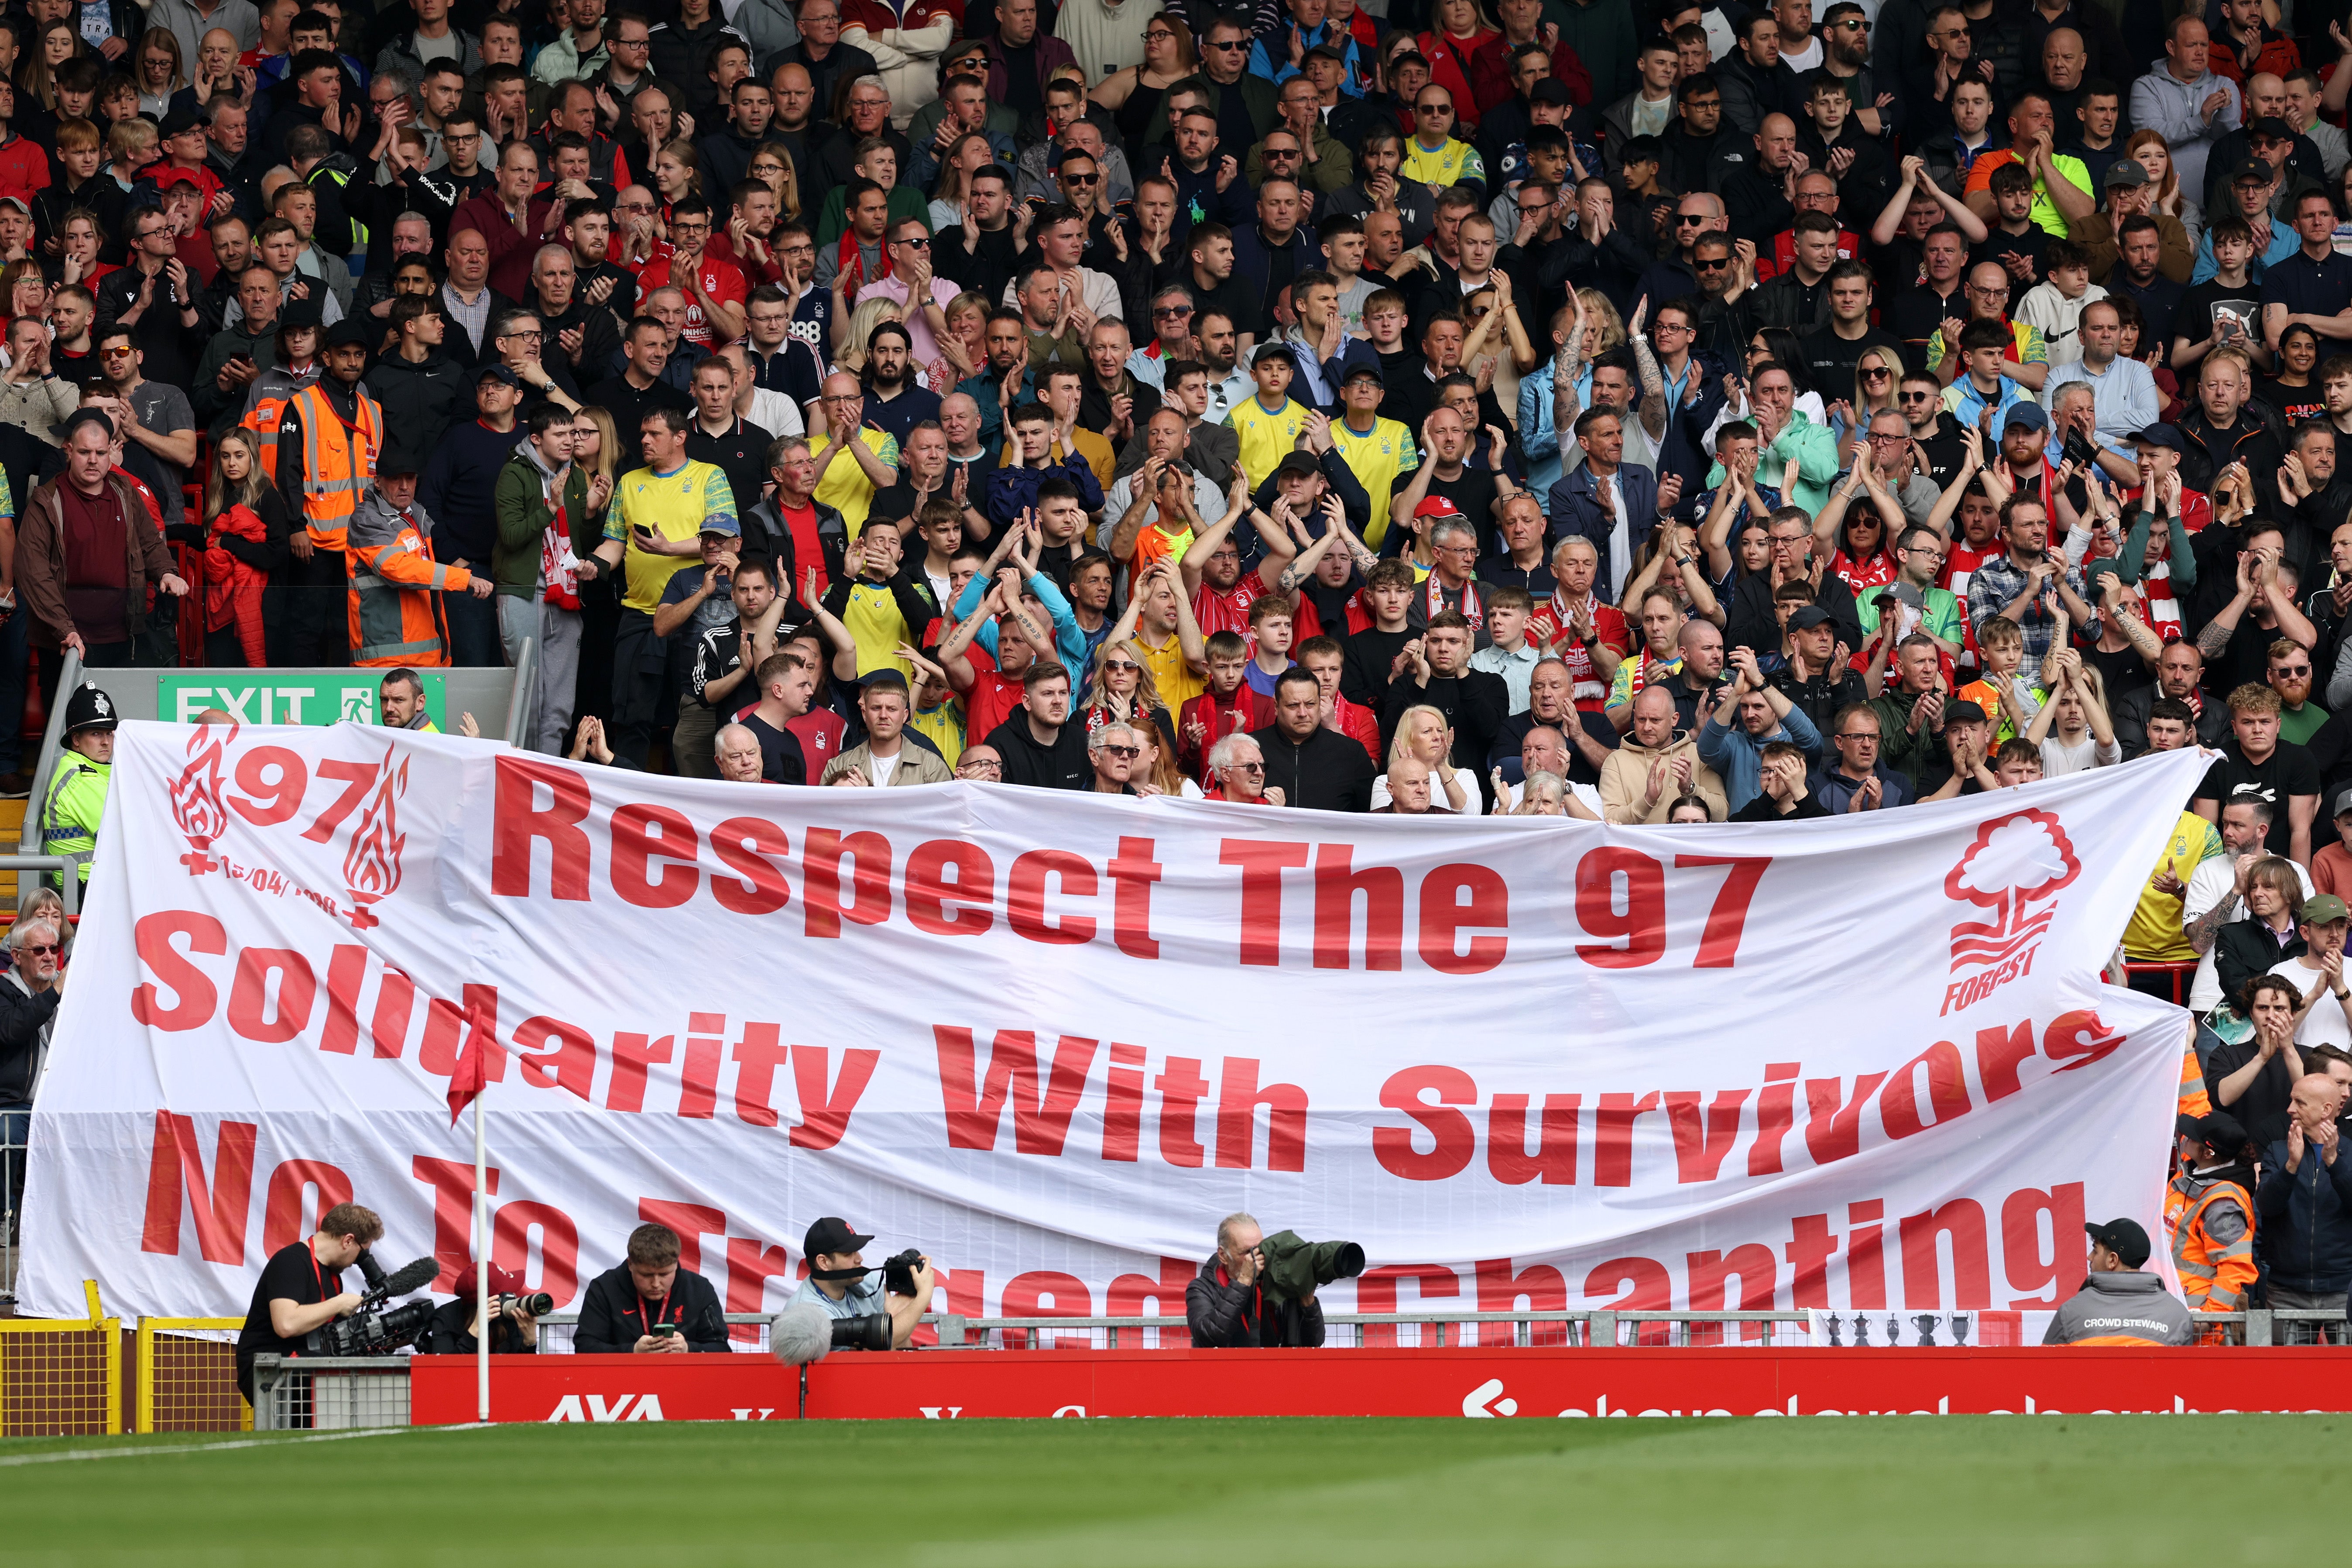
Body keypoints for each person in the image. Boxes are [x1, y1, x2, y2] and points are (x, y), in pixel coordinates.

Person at [18, 410, 187, 674]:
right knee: (65, 703)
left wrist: (166, 571)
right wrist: (64, 629)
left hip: (125, 636)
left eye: (100, 453)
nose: (93, 460)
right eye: (84, 452)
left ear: (111, 453)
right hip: (68, 641)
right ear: (69, 451)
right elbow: (33, 572)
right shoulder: (47, 501)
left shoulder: (126, 492)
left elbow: (150, 544)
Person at [235, 1201, 384, 1404]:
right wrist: (339, 1303)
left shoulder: (333, 1277)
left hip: (303, 1364)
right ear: (348, 1241)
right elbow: (286, 1325)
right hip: (268, 1368)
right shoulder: (291, 1261)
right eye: (361, 1253)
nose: (356, 1262)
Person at [2255, 1073, 2352, 1339]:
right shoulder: (2279, 1151)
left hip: (2344, 1289)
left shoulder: (2351, 1153)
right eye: (2291, 1100)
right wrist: (2290, 1166)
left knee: (2347, 1367)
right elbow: (2266, 1206)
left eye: (2300, 1102)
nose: (2290, 1109)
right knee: (2287, 1369)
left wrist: (2334, 1163)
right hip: (2286, 1290)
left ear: (2326, 1110)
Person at [2167, 1106, 2260, 1331]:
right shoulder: (2193, 1172)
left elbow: (2235, 1267)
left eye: (2192, 1137)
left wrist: (2210, 1318)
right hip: (2177, 1307)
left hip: (2200, 1322)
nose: (2184, 1139)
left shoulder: (2223, 1204)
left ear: (2208, 1153)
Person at [574, 1221, 730, 1353]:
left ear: (676, 1265)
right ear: (630, 1265)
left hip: (684, 1378)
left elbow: (722, 1349)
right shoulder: (604, 1289)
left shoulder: (700, 1289)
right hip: (623, 1378)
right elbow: (585, 1348)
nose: (656, 1284)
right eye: (646, 1275)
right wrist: (632, 1351)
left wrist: (688, 1349)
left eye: (664, 1274)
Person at [785, 1215, 935, 1349]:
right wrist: (923, 1296)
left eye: (857, 1251)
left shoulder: (870, 1284)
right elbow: (871, 1355)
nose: (860, 1259)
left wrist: (894, 1318)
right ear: (824, 1262)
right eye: (849, 1254)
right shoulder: (806, 1312)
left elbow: (901, 1347)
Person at [2040, 1218, 2196, 1345]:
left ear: (2112, 1260)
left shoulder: (2071, 1312)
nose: (2090, 1257)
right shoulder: (2177, 1315)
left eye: (2095, 1250)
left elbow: (2047, 1369)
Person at [1186, 1211, 1325, 1348]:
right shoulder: (1201, 1288)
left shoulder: (1275, 1282)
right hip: (1227, 1363)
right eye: (1247, 1252)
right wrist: (1244, 1282)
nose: (1257, 1257)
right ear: (1223, 1256)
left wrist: (1308, 1305)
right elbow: (1209, 1338)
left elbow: (1313, 1342)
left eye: (1260, 1249)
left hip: (1273, 1362)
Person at [37, 683, 123, 893]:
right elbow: (124, 834)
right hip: (89, 889)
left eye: (109, 733)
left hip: (95, 884)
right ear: (76, 739)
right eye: (96, 734)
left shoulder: (93, 772)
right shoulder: (81, 779)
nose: (106, 742)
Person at [416, 1264, 541, 1356]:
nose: (513, 1296)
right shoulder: (446, 1317)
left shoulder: (509, 1316)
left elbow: (523, 1374)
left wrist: (529, 1343)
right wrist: (474, 1331)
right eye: (505, 1293)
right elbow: (443, 1372)